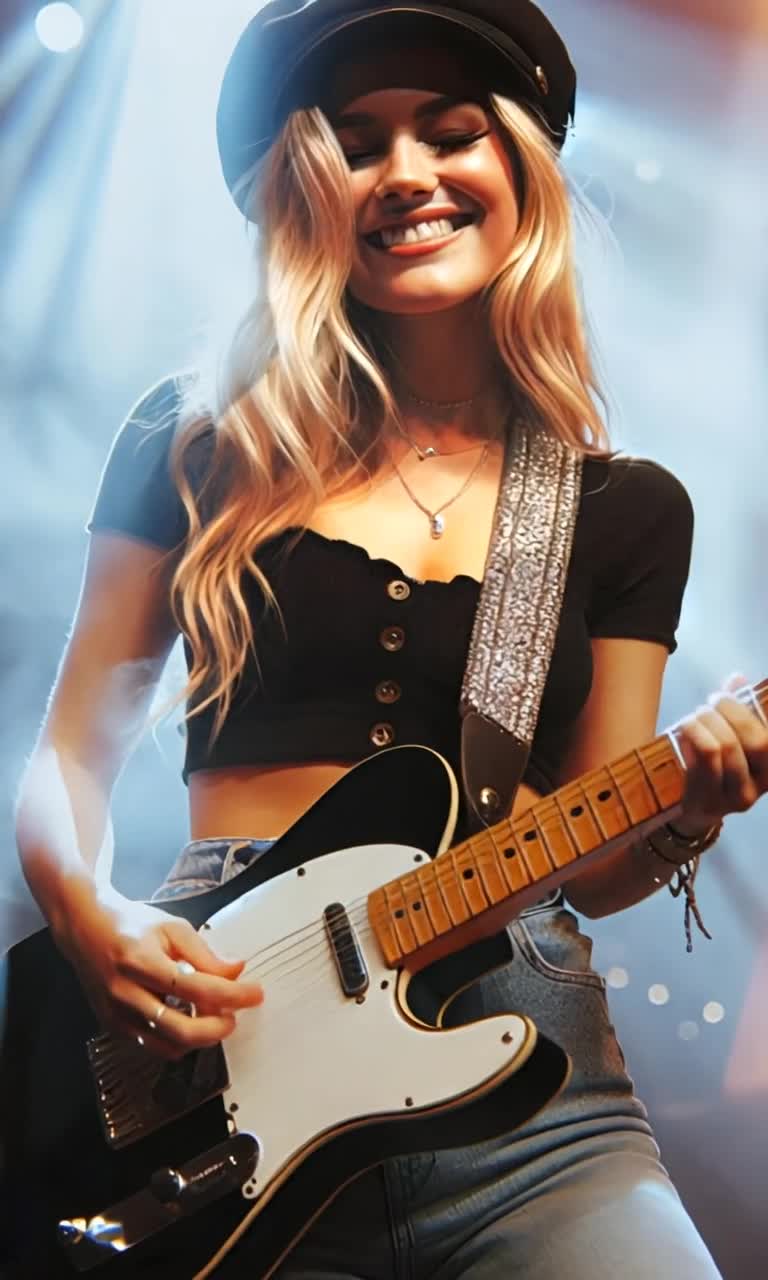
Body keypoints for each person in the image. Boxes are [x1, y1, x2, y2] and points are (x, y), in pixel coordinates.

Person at [14, 2, 768, 1277]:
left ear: (518, 164)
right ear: (302, 193)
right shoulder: (197, 441)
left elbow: (594, 855)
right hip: (217, 1035)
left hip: (532, 1082)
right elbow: (68, 755)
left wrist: (691, 807)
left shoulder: (624, 507)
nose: (407, 173)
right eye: (355, 142)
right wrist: (87, 911)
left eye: (452, 132)